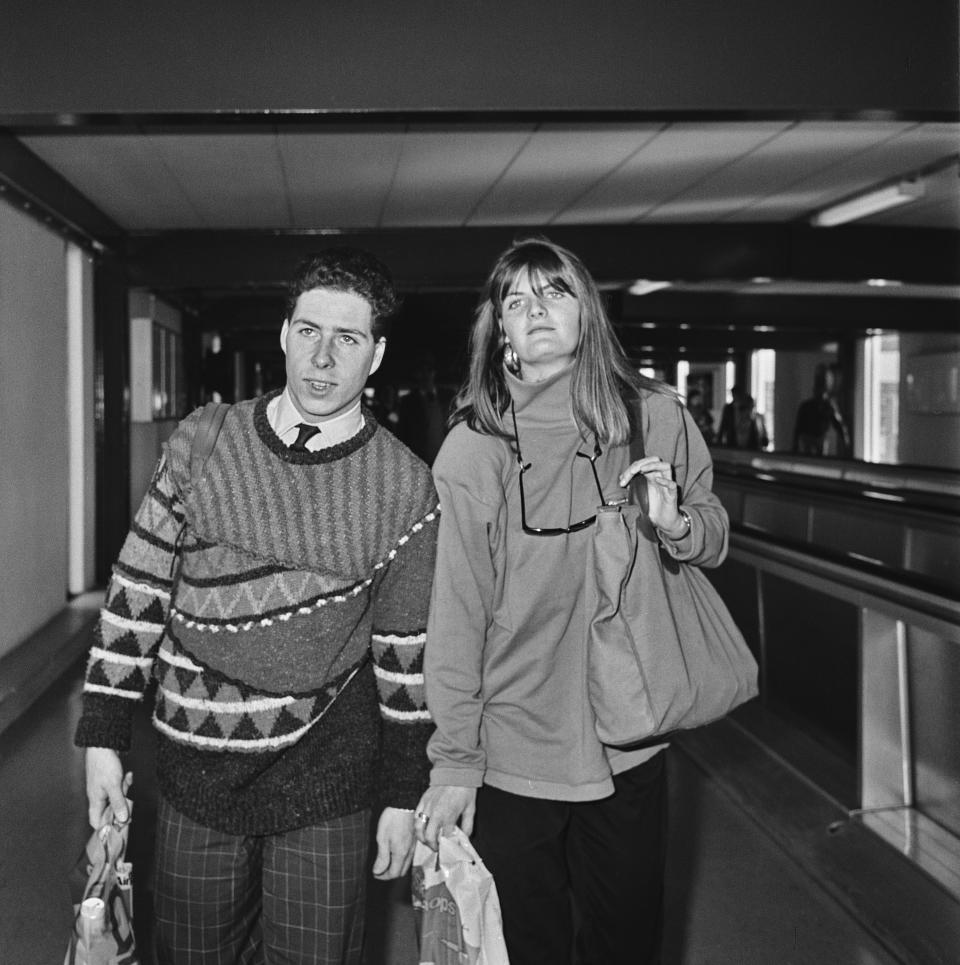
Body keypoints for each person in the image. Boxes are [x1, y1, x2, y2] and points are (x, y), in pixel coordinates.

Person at [75, 247, 438, 965]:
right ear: (283, 333)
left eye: (348, 338)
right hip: (193, 773)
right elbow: (137, 592)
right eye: (308, 331)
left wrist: (403, 789)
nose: (323, 357)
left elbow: (405, 653)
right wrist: (104, 734)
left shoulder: (405, 485)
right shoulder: (203, 445)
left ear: (378, 353)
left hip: (326, 779)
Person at [413, 238, 730, 965]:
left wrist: (676, 521)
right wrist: (454, 759)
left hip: (627, 740)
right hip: (513, 746)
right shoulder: (475, 448)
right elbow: (456, 614)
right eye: (516, 302)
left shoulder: (653, 418)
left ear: (586, 307)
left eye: (552, 292)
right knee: (529, 948)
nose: (536, 312)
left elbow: (712, 536)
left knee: (626, 944)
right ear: (499, 331)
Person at [793, 362, 851, 456]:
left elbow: (839, 425)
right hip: (808, 439)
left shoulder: (829, 406)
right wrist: (795, 445)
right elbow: (798, 428)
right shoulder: (806, 407)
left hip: (820, 439)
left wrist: (846, 442)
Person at [717, 385, 769, 449]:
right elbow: (724, 425)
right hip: (735, 445)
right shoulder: (730, 409)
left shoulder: (758, 418)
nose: (748, 411)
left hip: (753, 449)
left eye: (751, 408)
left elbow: (763, 439)